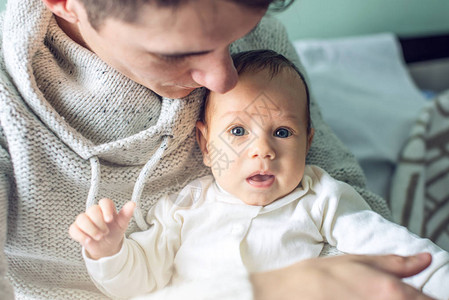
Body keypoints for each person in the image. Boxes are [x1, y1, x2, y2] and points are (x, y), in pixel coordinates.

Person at [0, 0, 437, 299]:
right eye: (180, 53)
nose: (224, 76)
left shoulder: (257, 37)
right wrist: (267, 289)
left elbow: (353, 210)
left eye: (235, 39)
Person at [70, 50, 449, 300]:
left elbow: (395, 249)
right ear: (204, 144)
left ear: (308, 143)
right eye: (237, 132)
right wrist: (108, 250)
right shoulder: (184, 207)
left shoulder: (319, 196)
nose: (262, 150)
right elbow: (138, 282)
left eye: (282, 133)